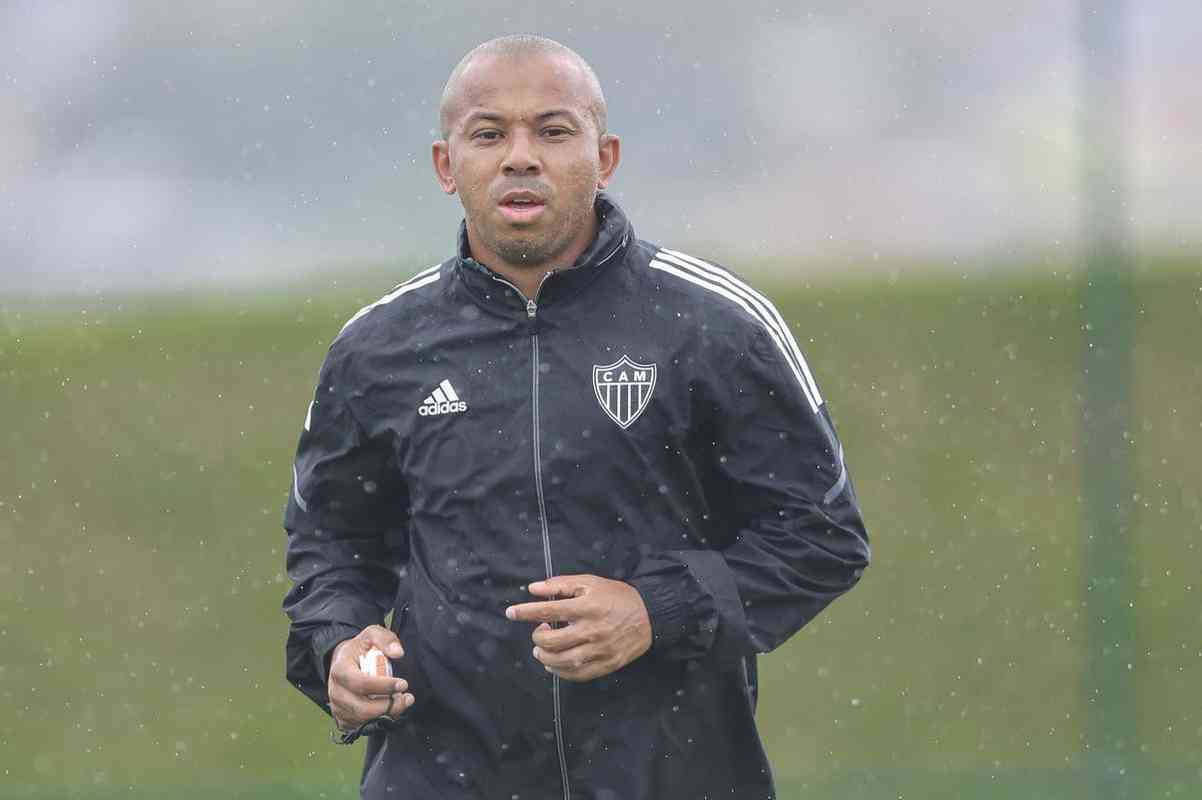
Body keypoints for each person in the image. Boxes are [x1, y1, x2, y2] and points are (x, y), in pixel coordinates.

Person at [282, 34, 870, 799]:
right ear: (445, 164)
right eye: (489, 133)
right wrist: (338, 645)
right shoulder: (378, 350)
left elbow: (821, 536)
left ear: (606, 156)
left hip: (672, 776)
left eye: (553, 131)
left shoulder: (714, 326)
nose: (520, 156)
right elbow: (331, 542)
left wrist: (656, 610)